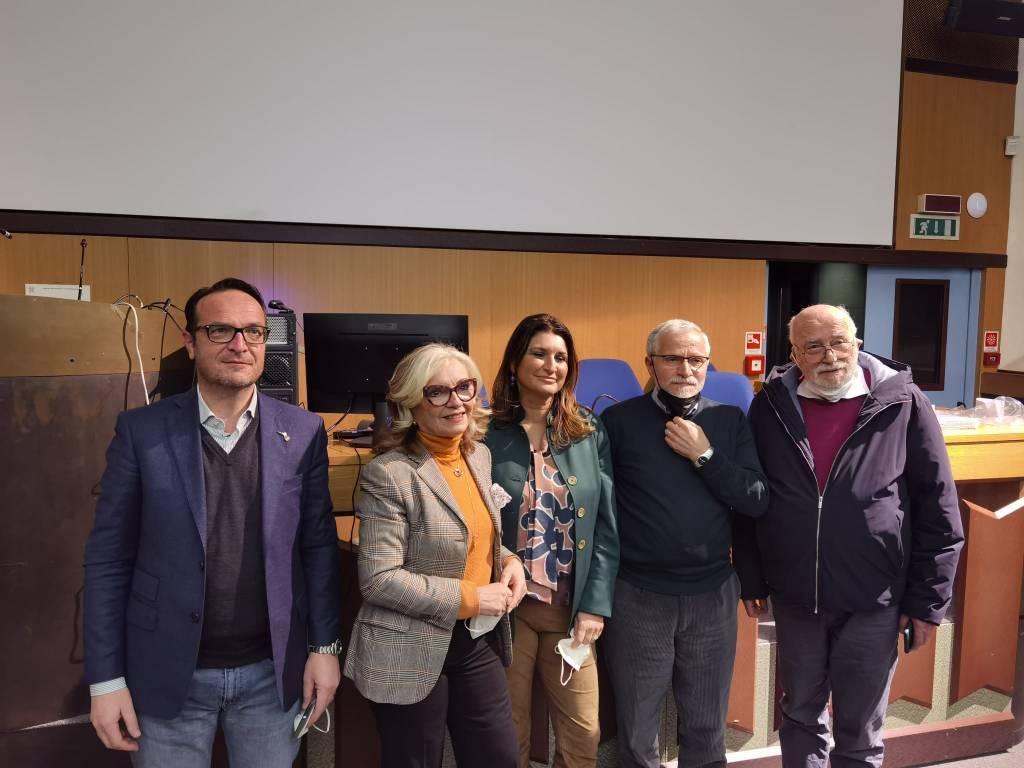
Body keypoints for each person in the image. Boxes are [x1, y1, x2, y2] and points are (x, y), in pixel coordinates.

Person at [84, 277, 341, 766]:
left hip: (271, 675)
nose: (240, 344)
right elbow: (109, 560)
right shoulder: (142, 432)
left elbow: (318, 549)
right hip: (165, 673)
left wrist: (324, 648)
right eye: (220, 330)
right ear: (191, 341)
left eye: (254, 332)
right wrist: (106, 680)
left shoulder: (304, 432)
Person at [740, 304, 964, 768]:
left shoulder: (902, 402)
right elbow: (750, 496)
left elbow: (938, 506)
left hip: (874, 597)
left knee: (860, 729)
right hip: (797, 596)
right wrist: (753, 577)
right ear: (794, 355)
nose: (829, 356)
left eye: (839, 342)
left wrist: (928, 603)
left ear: (857, 343)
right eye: (813, 346)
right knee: (799, 714)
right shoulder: (771, 404)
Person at [343, 343, 527, 768]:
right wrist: (473, 597)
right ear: (411, 402)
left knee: (498, 757)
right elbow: (379, 579)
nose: (456, 401)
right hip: (408, 644)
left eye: (464, 387)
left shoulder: (477, 454)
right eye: (437, 392)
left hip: (475, 640)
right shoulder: (390, 473)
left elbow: (473, 536)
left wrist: (509, 560)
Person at [600, 318, 768, 768]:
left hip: (712, 594)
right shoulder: (619, 421)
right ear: (650, 364)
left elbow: (756, 499)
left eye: (697, 360)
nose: (686, 369)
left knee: (707, 731)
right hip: (638, 595)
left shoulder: (728, 420)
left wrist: (704, 455)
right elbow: (600, 512)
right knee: (637, 732)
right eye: (673, 358)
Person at [485, 314, 619, 768]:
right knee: (508, 733)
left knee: (584, 733)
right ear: (514, 363)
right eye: (539, 354)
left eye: (561, 357)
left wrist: (595, 604)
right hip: (507, 608)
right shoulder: (484, 431)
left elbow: (605, 526)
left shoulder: (588, 430)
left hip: (569, 606)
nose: (551, 365)